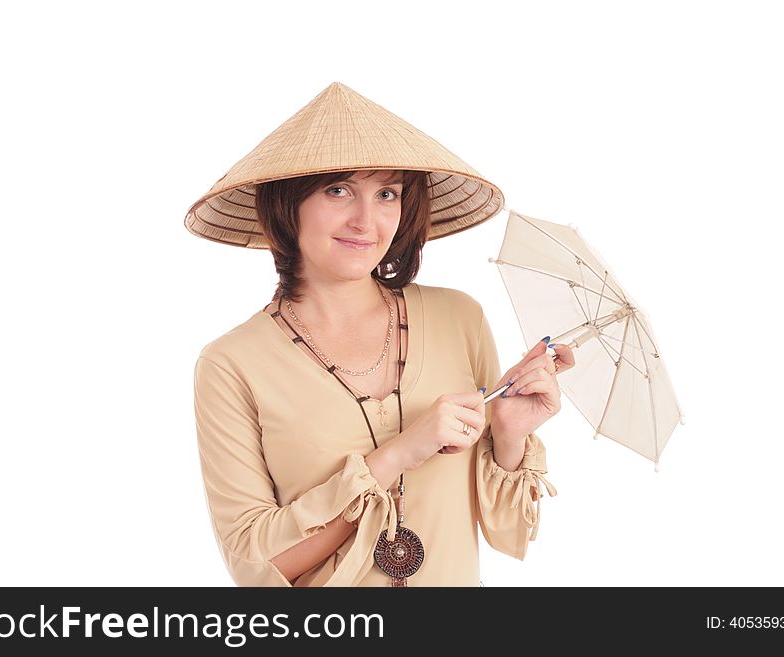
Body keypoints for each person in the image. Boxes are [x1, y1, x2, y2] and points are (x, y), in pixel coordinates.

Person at [185, 82, 574, 587]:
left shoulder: (459, 318)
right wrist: (397, 454)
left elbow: (506, 534)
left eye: (387, 193)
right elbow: (257, 567)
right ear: (287, 205)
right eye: (338, 190)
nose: (366, 221)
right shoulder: (231, 363)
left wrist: (508, 434)